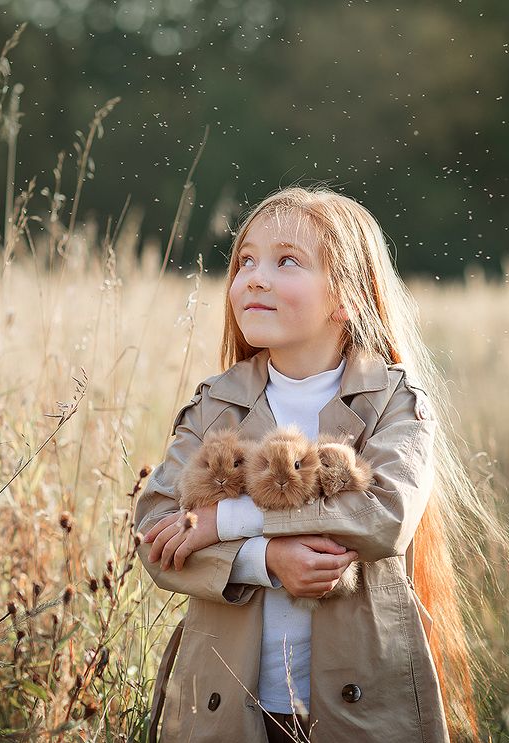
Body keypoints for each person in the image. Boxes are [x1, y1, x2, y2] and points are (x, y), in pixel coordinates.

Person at [134, 185, 488, 742]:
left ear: (347, 297)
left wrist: (227, 522)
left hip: (362, 708)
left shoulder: (393, 401)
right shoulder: (216, 404)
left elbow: (383, 517)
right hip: (225, 704)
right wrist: (265, 560)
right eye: (246, 261)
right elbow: (156, 533)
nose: (254, 277)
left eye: (286, 261)